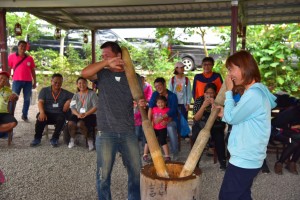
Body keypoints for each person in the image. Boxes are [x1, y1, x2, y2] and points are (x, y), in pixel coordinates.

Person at [81, 41, 142, 200]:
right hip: (106, 132)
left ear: (119, 56)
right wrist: (106, 62)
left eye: (107, 56)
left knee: (136, 173)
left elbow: (138, 99)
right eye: (103, 57)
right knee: (103, 175)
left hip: (128, 131)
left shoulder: (134, 77)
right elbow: (85, 73)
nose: (104, 59)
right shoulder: (102, 74)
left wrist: (141, 102)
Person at [218, 50, 277, 200]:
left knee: (227, 197)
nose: (229, 74)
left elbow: (232, 117)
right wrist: (225, 113)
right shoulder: (256, 91)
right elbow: (241, 116)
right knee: (242, 195)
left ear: (243, 67)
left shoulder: (254, 94)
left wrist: (229, 93)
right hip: (250, 157)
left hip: (245, 159)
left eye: (231, 69)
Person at [30, 73, 73, 147]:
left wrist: (69, 101)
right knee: (40, 117)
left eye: (59, 82)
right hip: (47, 113)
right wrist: (42, 112)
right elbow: (40, 102)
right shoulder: (44, 90)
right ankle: (37, 138)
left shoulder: (65, 93)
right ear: (51, 81)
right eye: (55, 82)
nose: (57, 84)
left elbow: (76, 96)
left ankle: (54, 138)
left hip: (59, 114)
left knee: (62, 118)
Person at [191, 83, 227, 170]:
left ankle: (222, 162)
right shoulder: (199, 100)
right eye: (207, 93)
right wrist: (203, 106)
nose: (209, 95)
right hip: (201, 125)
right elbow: (196, 118)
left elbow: (222, 118)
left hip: (215, 125)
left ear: (215, 93)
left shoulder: (219, 101)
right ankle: (195, 163)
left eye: (211, 93)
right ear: (204, 93)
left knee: (219, 136)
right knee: (196, 136)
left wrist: (213, 105)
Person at [148, 77, 179, 160]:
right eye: (156, 86)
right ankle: (153, 153)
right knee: (150, 129)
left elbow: (173, 111)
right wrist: (149, 122)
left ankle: (175, 152)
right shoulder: (155, 94)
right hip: (157, 119)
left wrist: (164, 119)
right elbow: (151, 107)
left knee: (170, 127)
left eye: (160, 85)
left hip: (171, 119)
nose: (158, 88)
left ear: (164, 84)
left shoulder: (172, 96)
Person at [8, 40, 37, 122]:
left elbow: (33, 71)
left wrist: (34, 81)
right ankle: (10, 116)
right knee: (13, 99)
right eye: (21, 46)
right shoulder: (11, 56)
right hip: (16, 81)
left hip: (28, 82)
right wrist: (7, 80)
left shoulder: (30, 58)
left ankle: (24, 115)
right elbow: (9, 69)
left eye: (25, 46)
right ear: (18, 46)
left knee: (27, 99)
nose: (23, 48)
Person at [68, 77, 98, 151]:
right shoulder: (75, 95)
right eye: (79, 83)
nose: (82, 85)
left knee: (80, 124)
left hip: (90, 114)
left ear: (87, 84)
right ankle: (72, 139)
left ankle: (89, 139)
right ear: (77, 84)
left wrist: (86, 113)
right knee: (70, 123)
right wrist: (78, 114)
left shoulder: (92, 94)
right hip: (78, 114)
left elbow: (96, 106)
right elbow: (72, 107)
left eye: (84, 83)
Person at [272, 105, 300, 175]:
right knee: (294, 142)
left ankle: (292, 162)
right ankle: (279, 163)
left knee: (297, 139)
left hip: (291, 133)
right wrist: (293, 126)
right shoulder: (291, 111)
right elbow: (275, 123)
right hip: (277, 132)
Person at [143, 95, 171, 162]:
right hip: (154, 128)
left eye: (162, 102)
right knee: (148, 140)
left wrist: (167, 122)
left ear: (165, 102)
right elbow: (148, 114)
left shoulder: (168, 110)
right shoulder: (154, 109)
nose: (160, 104)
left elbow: (170, 118)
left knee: (163, 141)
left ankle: (167, 156)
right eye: (158, 103)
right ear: (156, 103)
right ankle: (145, 154)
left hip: (162, 128)